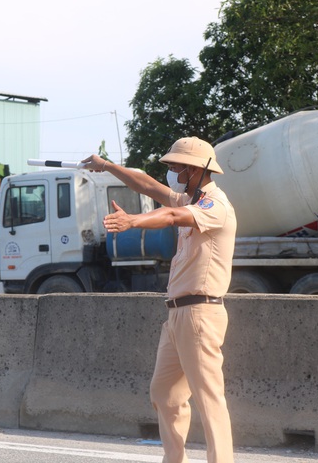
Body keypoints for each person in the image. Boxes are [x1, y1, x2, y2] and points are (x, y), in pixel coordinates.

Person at [82, 137, 237, 463]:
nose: (172, 170)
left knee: (210, 400)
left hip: (200, 312)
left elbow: (168, 216)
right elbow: (148, 186)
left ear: (195, 169)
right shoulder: (188, 198)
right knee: (165, 394)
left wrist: (132, 221)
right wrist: (107, 166)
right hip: (177, 313)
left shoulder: (214, 205)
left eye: (177, 165)